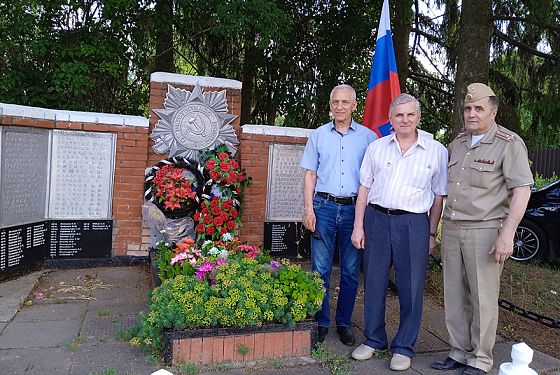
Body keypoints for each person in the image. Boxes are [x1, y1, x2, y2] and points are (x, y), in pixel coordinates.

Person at [431, 83, 533, 375]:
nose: (472, 114)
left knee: (483, 296)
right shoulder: (458, 143)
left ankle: (480, 358)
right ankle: (458, 351)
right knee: (454, 294)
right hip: (452, 228)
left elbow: (521, 191)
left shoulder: (508, 143)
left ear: (493, 111)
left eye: (479, 108)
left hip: (485, 230)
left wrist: (507, 234)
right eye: (467, 108)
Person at [350, 93, 448, 371]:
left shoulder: (436, 151)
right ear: (390, 119)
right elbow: (364, 189)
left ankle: (404, 346)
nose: (405, 120)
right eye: (399, 115)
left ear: (418, 117)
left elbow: (439, 196)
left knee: (411, 286)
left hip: (414, 224)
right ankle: (373, 339)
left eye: (410, 115)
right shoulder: (377, 148)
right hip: (377, 220)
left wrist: (431, 234)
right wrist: (359, 226)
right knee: (374, 281)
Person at [300, 84, 377, 345]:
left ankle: (344, 323)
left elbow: (374, 179)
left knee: (350, 271)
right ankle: (321, 321)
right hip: (323, 207)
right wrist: (308, 209)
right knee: (319, 269)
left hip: (355, 211)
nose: (340, 107)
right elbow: (310, 174)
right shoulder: (319, 136)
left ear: (355, 105)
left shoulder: (369, 138)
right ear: (330, 105)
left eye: (345, 102)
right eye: (335, 102)